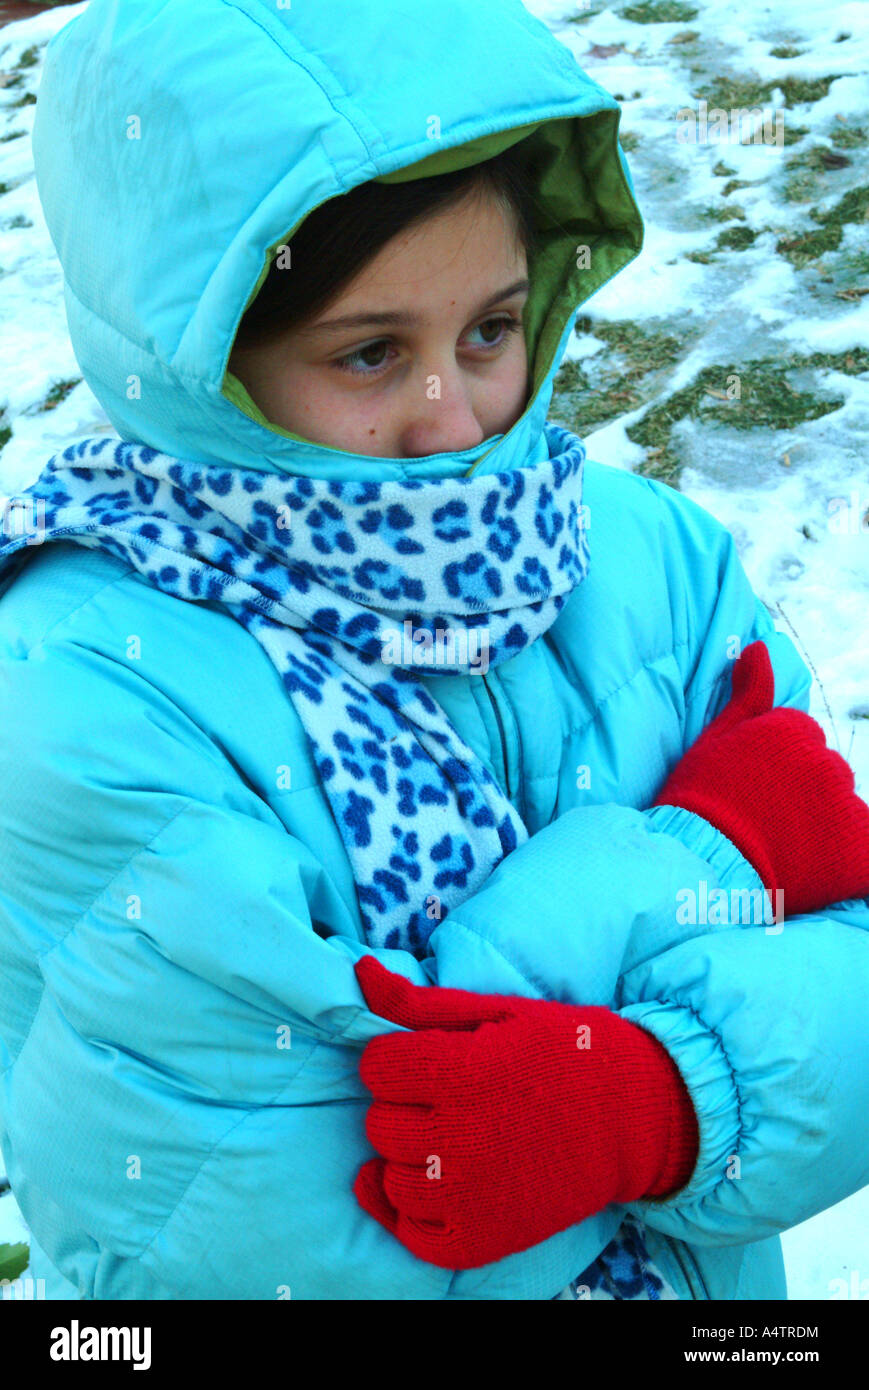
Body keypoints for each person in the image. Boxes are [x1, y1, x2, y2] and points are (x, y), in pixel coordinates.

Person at [0, 0, 867, 1302]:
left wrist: (662, 1103)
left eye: (489, 330)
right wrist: (706, 852)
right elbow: (293, 1231)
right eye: (368, 353)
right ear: (207, 367)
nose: (453, 422)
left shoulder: (645, 562)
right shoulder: (89, 694)